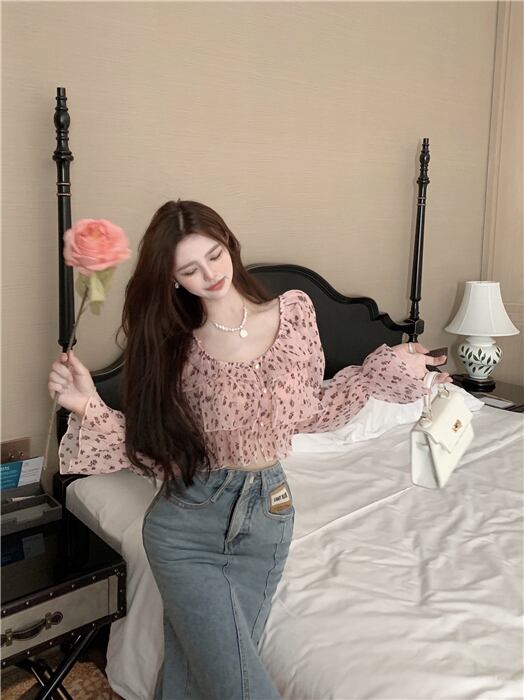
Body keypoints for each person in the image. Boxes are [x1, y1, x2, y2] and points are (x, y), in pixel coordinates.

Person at [48, 199, 451, 700]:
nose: (209, 275)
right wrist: (88, 404)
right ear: (174, 280)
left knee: (196, 676)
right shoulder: (177, 346)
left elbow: (312, 412)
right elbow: (153, 448)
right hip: (188, 522)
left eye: (214, 255)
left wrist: (379, 372)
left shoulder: (295, 312)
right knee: (237, 685)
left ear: (229, 243)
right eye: (190, 270)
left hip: (269, 518)